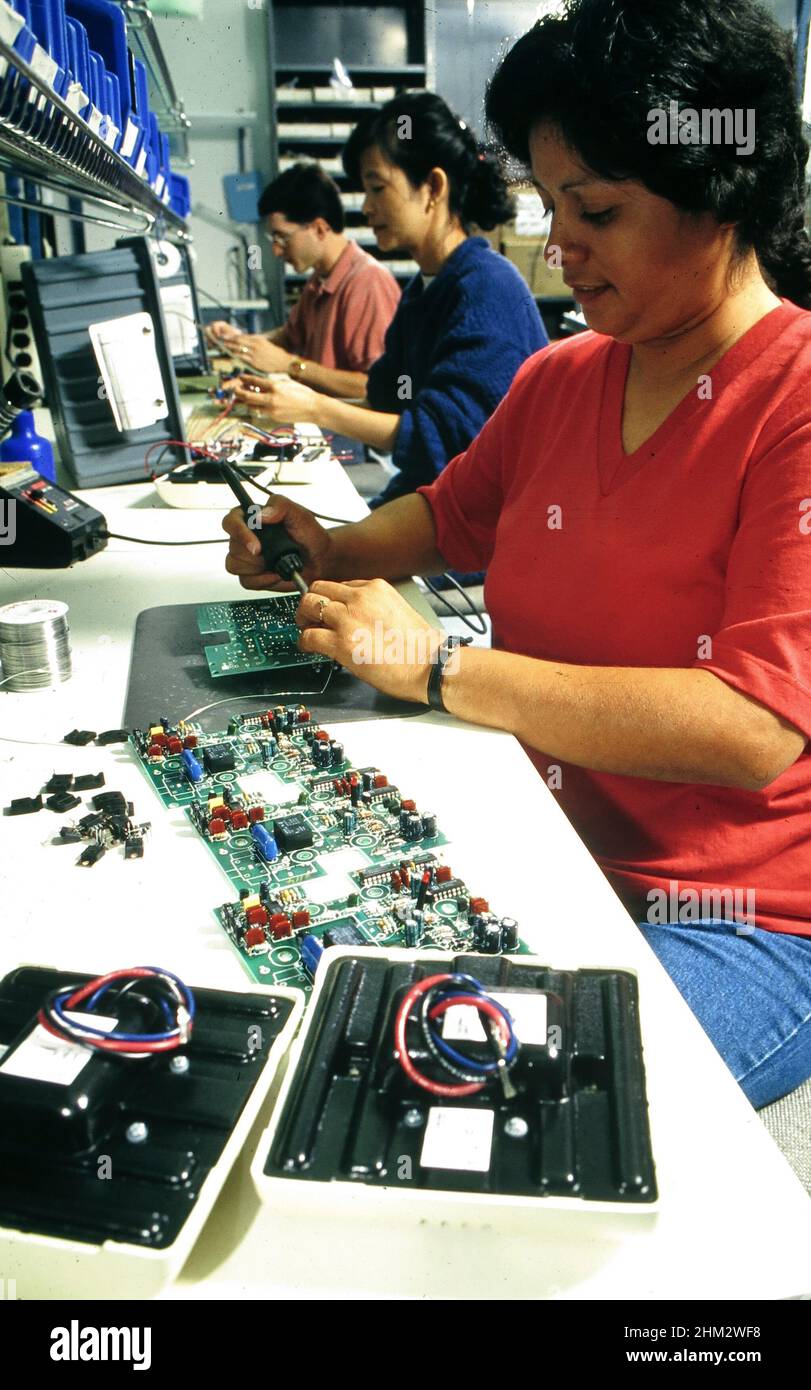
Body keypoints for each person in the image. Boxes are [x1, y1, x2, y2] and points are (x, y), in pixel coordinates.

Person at [223, 0, 811, 1110]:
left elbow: (752, 728)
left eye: (595, 209)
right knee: (327, 1018)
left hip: (738, 912)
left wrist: (441, 667)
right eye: (551, 206)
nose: (559, 245)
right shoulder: (563, 376)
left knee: (505, 1104)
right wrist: (327, 543)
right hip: (541, 827)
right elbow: (450, 515)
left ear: (719, 194)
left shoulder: (793, 400)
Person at [229, 92, 547, 504]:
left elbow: (445, 440)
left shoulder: (486, 287)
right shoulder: (425, 289)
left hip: (484, 534)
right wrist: (283, 402)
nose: (366, 206)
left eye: (377, 188)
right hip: (432, 502)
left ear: (433, 187)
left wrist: (313, 408)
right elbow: (386, 397)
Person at [207, 162, 400, 399]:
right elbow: (289, 337)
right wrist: (239, 342)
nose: (277, 251)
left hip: (349, 433)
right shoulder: (319, 280)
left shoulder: (368, 282)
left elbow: (375, 386)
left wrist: (291, 365)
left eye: (283, 237)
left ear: (319, 228)